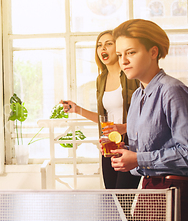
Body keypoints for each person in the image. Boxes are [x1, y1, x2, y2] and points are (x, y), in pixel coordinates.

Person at [111, 19, 188, 221]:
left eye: (131, 52)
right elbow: (142, 151)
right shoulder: (137, 97)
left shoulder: (173, 91)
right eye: (120, 54)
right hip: (150, 187)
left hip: (177, 192)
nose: (123, 61)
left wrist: (138, 159)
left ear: (153, 52)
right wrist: (125, 157)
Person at [60, 30, 140, 190]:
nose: (103, 48)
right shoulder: (101, 79)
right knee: (112, 199)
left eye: (108, 43)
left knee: (122, 200)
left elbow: (144, 115)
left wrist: (124, 127)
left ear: (118, 48)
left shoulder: (131, 76)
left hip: (129, 147)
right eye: (99, 45)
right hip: (109, 146)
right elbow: (103, 118)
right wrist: (76, 109)